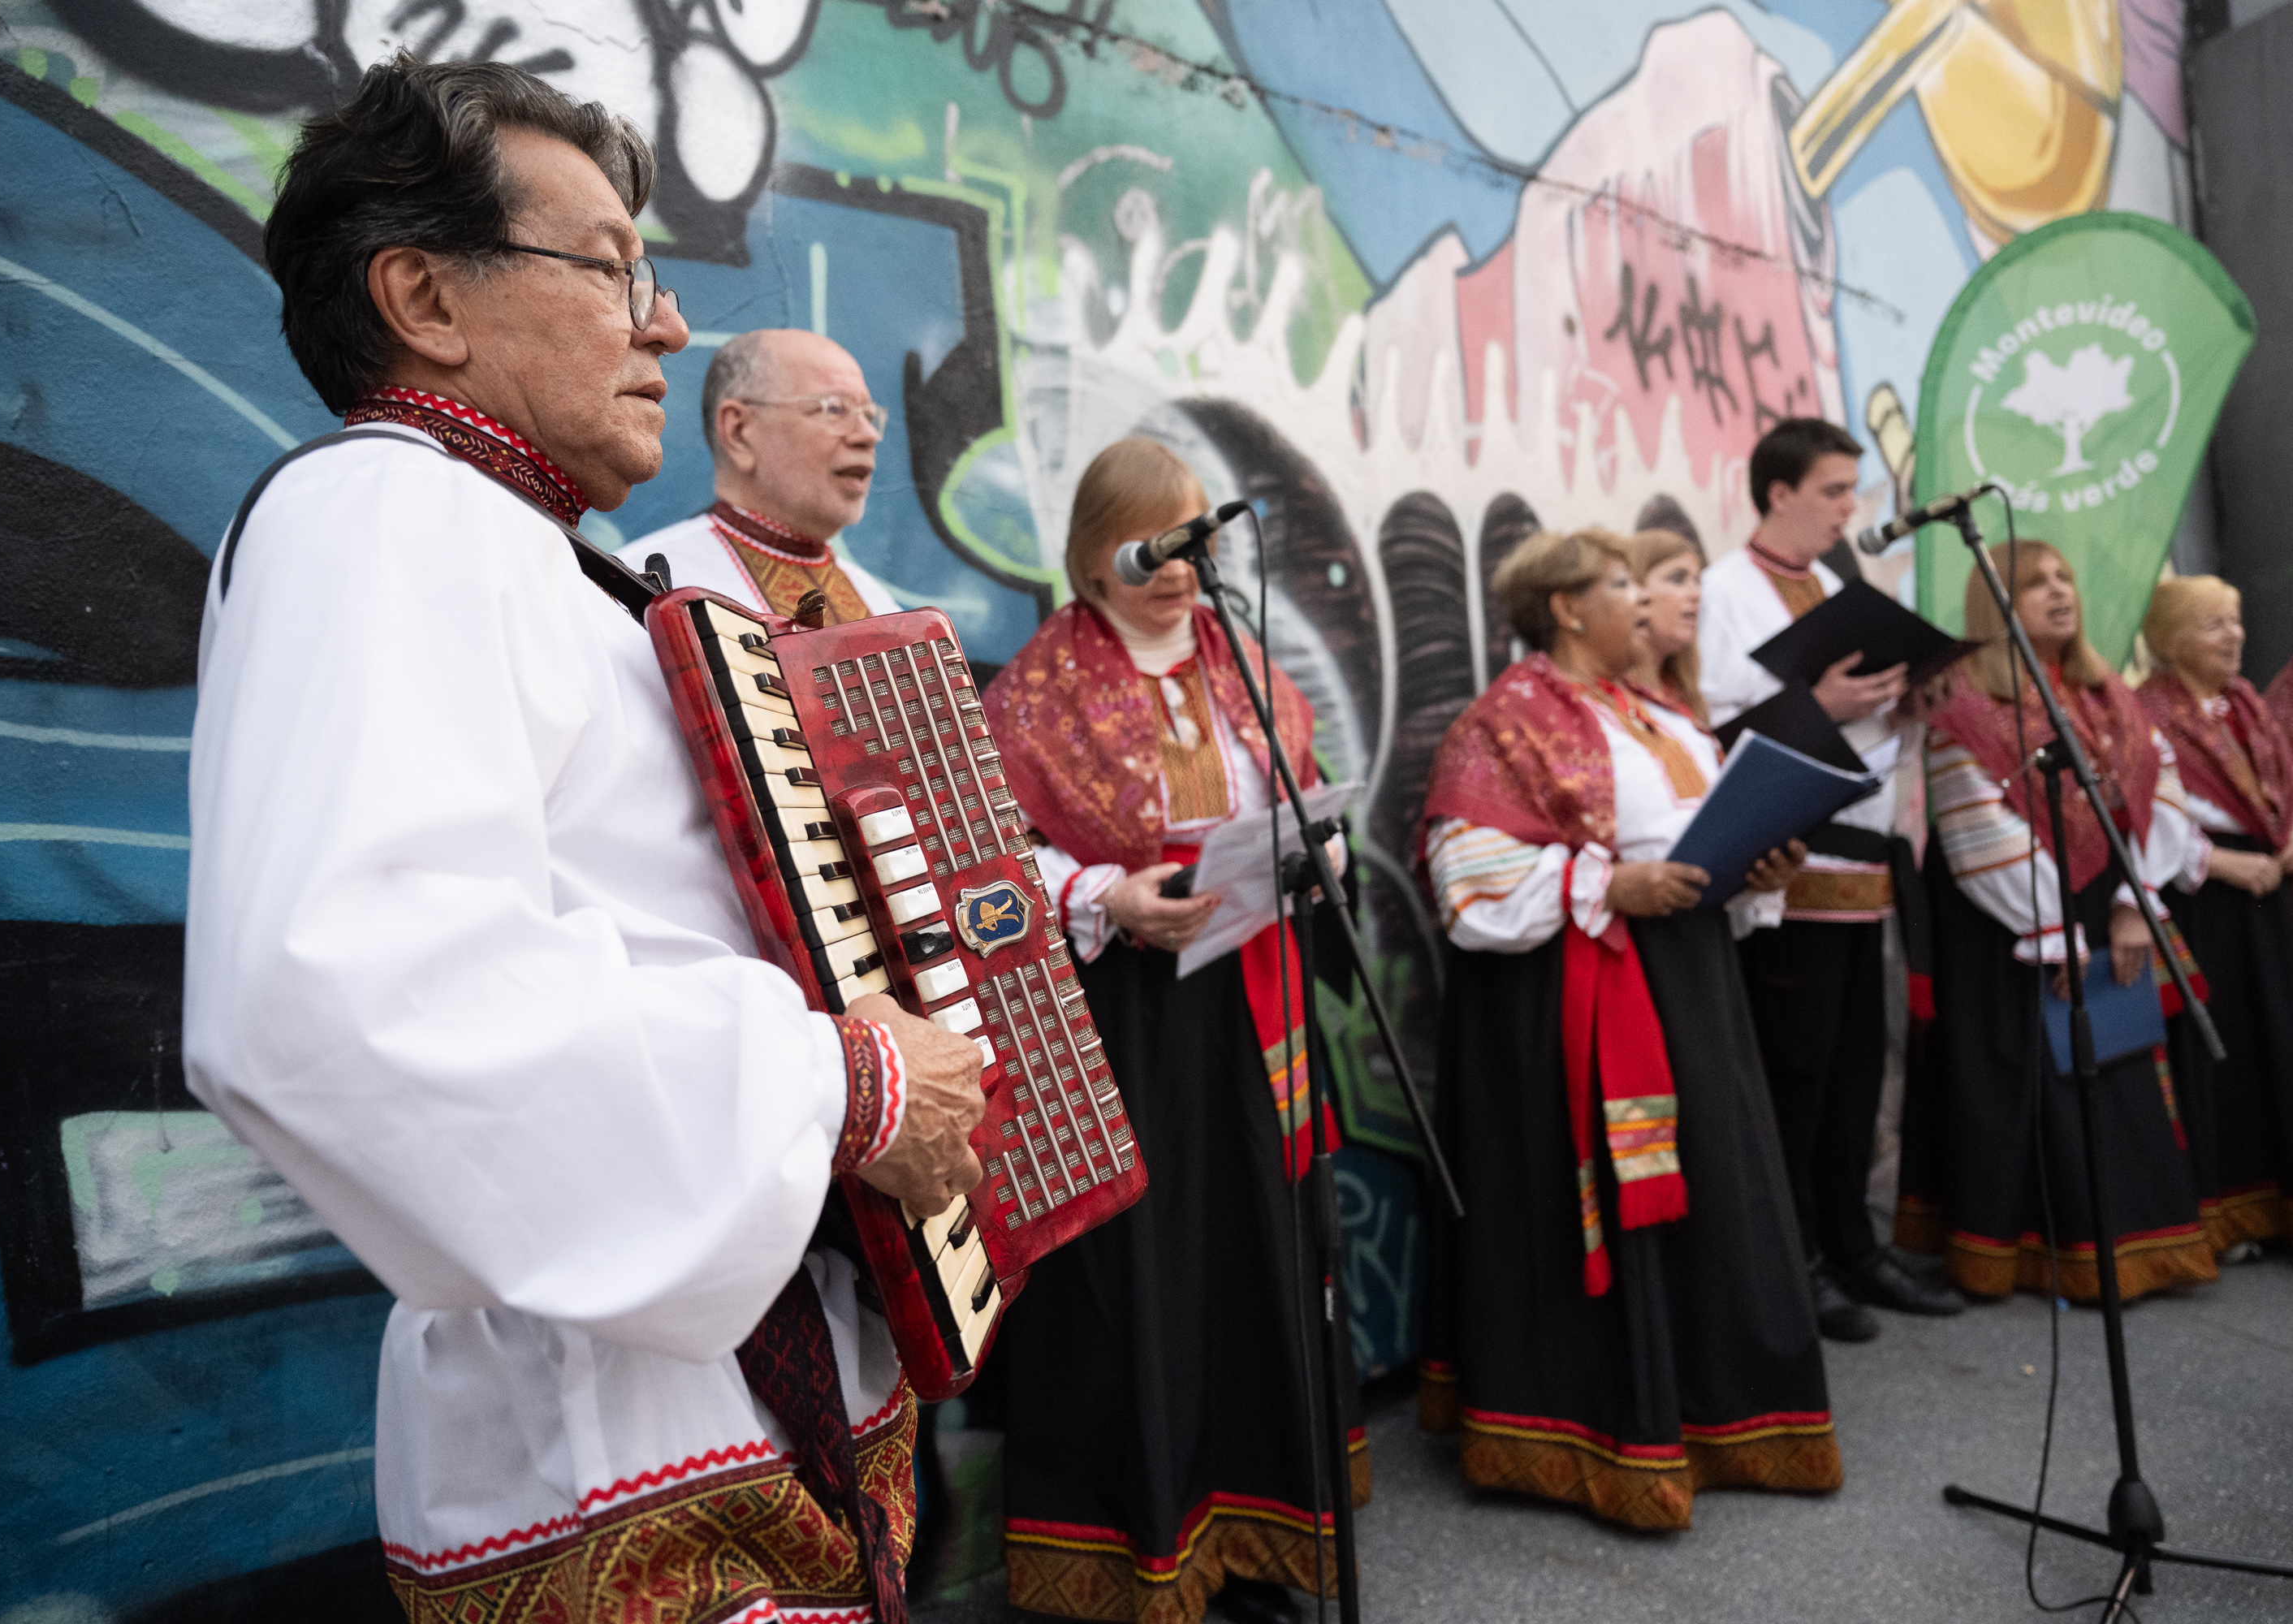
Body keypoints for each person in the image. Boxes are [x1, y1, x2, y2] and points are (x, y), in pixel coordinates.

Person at [182, 56, 987, 1623]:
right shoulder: (383, 516)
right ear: (425, 296)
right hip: (607, 1429)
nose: (666, 326)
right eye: (614, 268)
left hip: (714, 1397)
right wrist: (847, 1073)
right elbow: (341, 995)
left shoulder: (534, 555)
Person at [979, 438, 1348, 1624]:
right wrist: (1104, 896)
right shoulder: (1037, 691)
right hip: (1126, 1022)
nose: (1177, 570)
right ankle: (1148, 1543)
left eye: (1194, 540)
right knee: (1147, 1281)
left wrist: (1315, 848)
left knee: (1259, 1259)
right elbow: (985, 864)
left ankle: (1259, 1531)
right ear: (1092, 553)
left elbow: (1299, 783)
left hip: (1255, 1002)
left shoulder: (1246, 667)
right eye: (1148, 546)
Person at [1417, 527, 1837, 1531]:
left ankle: (1713, 1411)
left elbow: (1693, 839)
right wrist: (1612, 881)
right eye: (1620, 587)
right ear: (1565, 608)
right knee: (1608, 1202)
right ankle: (1604, 1428)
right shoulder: (1503, 721)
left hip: (1692, 982)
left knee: (1714, 1184)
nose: (1643, 605)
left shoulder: (1658, 709)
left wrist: (1754, 871)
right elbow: (1468, 884)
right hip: (1579, 998)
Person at [1894, 542, 2215, 1301]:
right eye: (2034, 584)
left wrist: (2137, 902)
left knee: (2111, 1058)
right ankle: (2019, 1249)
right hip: (2005, 917)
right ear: (1994, 605)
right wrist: (2047, 927)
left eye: (2064, 577)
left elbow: (2157, 788)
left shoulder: (2107, 695)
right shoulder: (1965, 703)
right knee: (2021, 1072)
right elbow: (1975, 825)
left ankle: (2129, 1240)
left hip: (2107, 902)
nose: (2058, 592)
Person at [1698, 417, 1962, 1341]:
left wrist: (1909, 698)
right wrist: (1818, 704)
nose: (1853, 508)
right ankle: (1798, 1257)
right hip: (1790, 866)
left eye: (1855, 490)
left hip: (1867, 858)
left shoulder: (1839, 582)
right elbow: (1713, 734)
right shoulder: (1723, 591)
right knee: (1797, 1073)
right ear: (1778, 492)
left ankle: (1856, 1245)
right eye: (1836, 490)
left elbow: (1869, 726)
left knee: (1857, 1071)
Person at [2137, 577, 2293, 1250]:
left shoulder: (2247, 706)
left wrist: (2284, 852)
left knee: (2277, 1042)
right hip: (2205, 898)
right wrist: (2225, 867)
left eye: (2234, 620)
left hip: (2270, 888)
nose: (2233, 635)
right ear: (2173, 639)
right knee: (2221, 1051)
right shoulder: (2147, 712)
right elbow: (2147, 813)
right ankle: (2227, 1214)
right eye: (2213, 625)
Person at [619, 327, 900, 620]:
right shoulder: (643, 593)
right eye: (835, 409)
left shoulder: (881, 607)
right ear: (739, 432)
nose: (868, 436)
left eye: (869, 415)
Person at [1626, 527, 1708, 722]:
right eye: (1677, 579)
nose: (1696, 594)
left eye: (1697, 581)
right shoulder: (1615, 693)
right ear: (1637, 590)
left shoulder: (1681, 690)